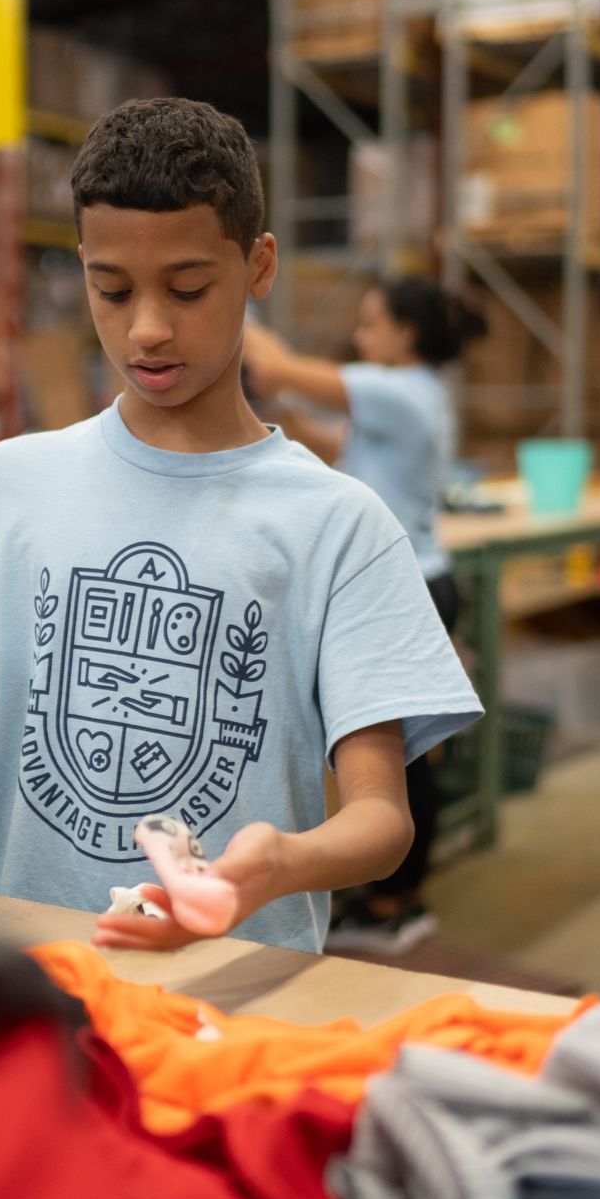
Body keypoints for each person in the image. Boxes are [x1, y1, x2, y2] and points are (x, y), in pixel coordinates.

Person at [0, 97, 483, 955]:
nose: (149, 329)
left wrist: (276, 865)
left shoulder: (339, 525)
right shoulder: (12, 485)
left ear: (260, 265)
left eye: (190, 287)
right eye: (113, 290)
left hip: (232, 1001)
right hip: (33, 989)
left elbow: (381, 819)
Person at [238, 278, 483, 954]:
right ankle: (391, 896)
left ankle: (397, 902)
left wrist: (234, 302)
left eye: (373, 324)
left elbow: (276, 367)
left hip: (408, 585)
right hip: (417, 578)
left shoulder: (398, 390)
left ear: (407, 334)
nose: (362, 337)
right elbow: (337, 446)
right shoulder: (412, 394)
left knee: (400, 762)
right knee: (400, 758)